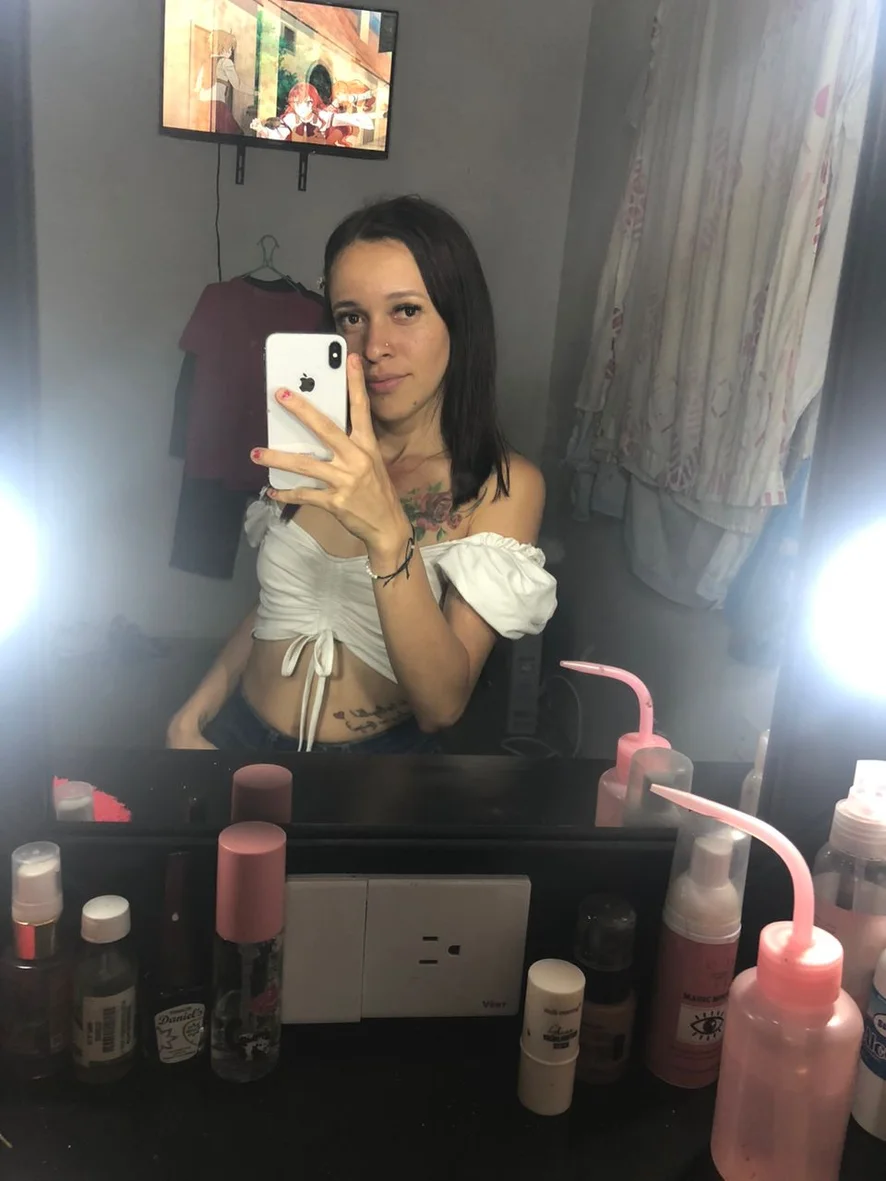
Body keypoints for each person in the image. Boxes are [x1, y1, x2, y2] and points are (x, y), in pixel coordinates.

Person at [167, 196, 557, 753]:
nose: (374, 348)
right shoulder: (318, 452)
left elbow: (442, 706)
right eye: (352, 317)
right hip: (238, 734)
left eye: (406, 311)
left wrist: (388, 533)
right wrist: (194, 713)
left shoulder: (503, 486)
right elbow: (277, 603)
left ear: (459, 318)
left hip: (372, 766)